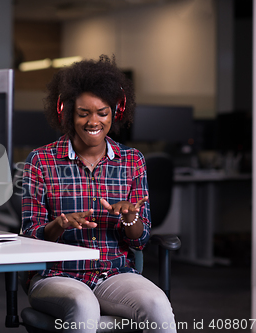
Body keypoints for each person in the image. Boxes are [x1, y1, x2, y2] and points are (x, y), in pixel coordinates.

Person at [21, 55, 177, 333]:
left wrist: (131, 218)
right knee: (84, 306)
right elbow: (29, 237)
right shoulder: (41, 161)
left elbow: (140, 239)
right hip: (57, 275)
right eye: (84, 113)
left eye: (102, 112)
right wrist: (60, 224)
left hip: (114, 273)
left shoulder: (132, 161)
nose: (94, 121)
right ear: (67, 113)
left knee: (157, 305)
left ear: (115, 113)